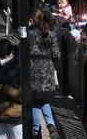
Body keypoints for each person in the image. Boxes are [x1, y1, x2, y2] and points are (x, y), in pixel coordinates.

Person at [28, 8, 58, 138]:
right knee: (44, 100)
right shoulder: (51, 34)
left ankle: (36, 130)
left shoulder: (29, 34)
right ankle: (51, 124)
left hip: (33, 70)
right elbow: (56, 54)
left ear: (32, 20)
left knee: (34, 101)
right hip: (47, 71)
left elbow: (17, 45)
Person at [0, 39, 22, 139]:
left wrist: (2, 89)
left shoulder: (18, 67)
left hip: (7, 115)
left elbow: (23, 96)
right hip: (6, 115)